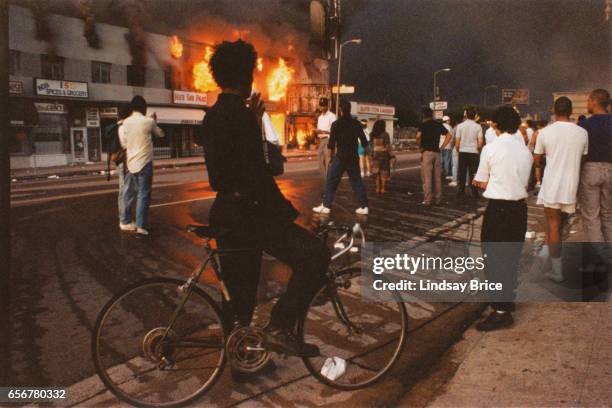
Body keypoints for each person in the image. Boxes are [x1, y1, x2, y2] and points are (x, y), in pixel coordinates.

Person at [201, 39, 329, 358]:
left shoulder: (213, 115)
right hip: (250, 216)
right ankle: (280, 327)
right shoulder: (242, 117)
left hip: (227, 214)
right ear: (246, 76)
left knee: (239, 298)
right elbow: (258, 175)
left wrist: (254, 122)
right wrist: (294, 217)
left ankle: (242, 361)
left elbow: (227, 168)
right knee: (315, 255)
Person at [472, 106, 533, 331]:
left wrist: (487, 183)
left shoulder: (491, 149)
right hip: (519, 210)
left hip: (498, 211)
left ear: (495, 125)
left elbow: (481, 181)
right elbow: (525, 181)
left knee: (494, 261)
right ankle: (507, 300)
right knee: (511, 258)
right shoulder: (525, 151)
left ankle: (501, 311)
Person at [534, 96, 588, 282]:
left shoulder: (545, 132)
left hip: (552, 185)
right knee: (560, 224)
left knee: (553, 225)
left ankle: (556, 270)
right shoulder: (582, 133)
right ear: (571, 111)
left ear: (554, 110)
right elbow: (582, 158)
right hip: (571, 185)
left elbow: (537, 159)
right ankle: (545, 255)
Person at [313, 100, 369, 215]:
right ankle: (364, 206)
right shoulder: (356, 123)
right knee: (357, 182)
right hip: (353, 157)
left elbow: (331, 145)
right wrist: (369, 156)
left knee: (331, 180)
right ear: (350, 110)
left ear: (340, 110)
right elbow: (364, 142)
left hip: (341, 157)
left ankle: (326, 205)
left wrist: (330, 159)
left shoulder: (336, 124)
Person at [120, 95, 164, 236]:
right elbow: (160, 134)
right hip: (145, 163)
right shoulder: (148, 121)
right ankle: (141, 226)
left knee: (129, 193)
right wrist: (155, 122)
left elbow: (125, 144)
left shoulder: (125, 123)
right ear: (144, 108)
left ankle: (125, 221)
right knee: (143, 195)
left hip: (131, 163)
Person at [578, 89, 611, 273]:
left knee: (591, 217)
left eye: (588, 101)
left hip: (590, 169)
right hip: (611, 169)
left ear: (593, 102)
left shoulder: (584, 125)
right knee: (608, 215)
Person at [416, 107, 451, 206]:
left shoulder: (423, 125)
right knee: (437, 178)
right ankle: (438, 199)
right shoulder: (437, 124)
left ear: (423, 115)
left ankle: (427, 200)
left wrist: (420, 147)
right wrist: (442, 147)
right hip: (437, 153)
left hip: (427, 153)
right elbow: (449, 135)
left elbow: (418, 137)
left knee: (427, 178)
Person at [110, 104, 135, 231]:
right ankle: (125, 221)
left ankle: (122, 218)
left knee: (122, 191)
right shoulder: (126, 127)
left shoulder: (118, 126)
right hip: (126, 161)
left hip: (120, 162)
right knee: (127, 191)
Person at [455, 107, 484, 197]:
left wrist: (458, 150)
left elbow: (457, 142)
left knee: (462, 172)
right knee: (473, 172)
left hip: (463, 151)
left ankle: (461, 190)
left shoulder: (460, 126)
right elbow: (480, 142)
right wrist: (478, 149)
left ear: (466, 115)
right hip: (473, 152)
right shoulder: (478, 126)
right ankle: (474, 191)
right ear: (475, 115)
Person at [315, 97, 337, 191]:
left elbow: (335, 131)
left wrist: (323, 131)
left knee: (328, 161)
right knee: (320, 159)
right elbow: (319, 130)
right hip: (321, 140)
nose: (322, 108)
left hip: (329, 139)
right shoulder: (320, 117)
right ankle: (327, 180)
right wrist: (317, 132)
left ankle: (329, 183)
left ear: (327, 106)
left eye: (324, 106)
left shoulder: (332, 116)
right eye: (321, 106)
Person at [370, 119, 394, 194]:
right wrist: (392, 155)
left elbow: (371, 146)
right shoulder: (385, 134)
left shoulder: (372, 134)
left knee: (377, 172)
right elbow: (387, 146)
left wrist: (371, 155)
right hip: (384, 155)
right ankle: (383, 189)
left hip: (375, 155)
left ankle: (377, 188)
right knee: (384, 172)